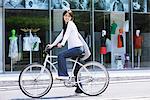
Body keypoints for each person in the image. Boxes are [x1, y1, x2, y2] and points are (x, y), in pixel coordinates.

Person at [47, 10, 91, 94]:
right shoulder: (66, 26)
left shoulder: (70, 24)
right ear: (63, 17)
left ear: (71, 18)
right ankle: (79, 88)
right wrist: (52, 45)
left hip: (77, 48)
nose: (66, 17)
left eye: (68, 16)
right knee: (76, 69)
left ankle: (63, 75)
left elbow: (66, 36)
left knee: (61, 55)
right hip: (76, 48)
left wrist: (62, 44)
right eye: (65, 15)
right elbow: (61, 36)